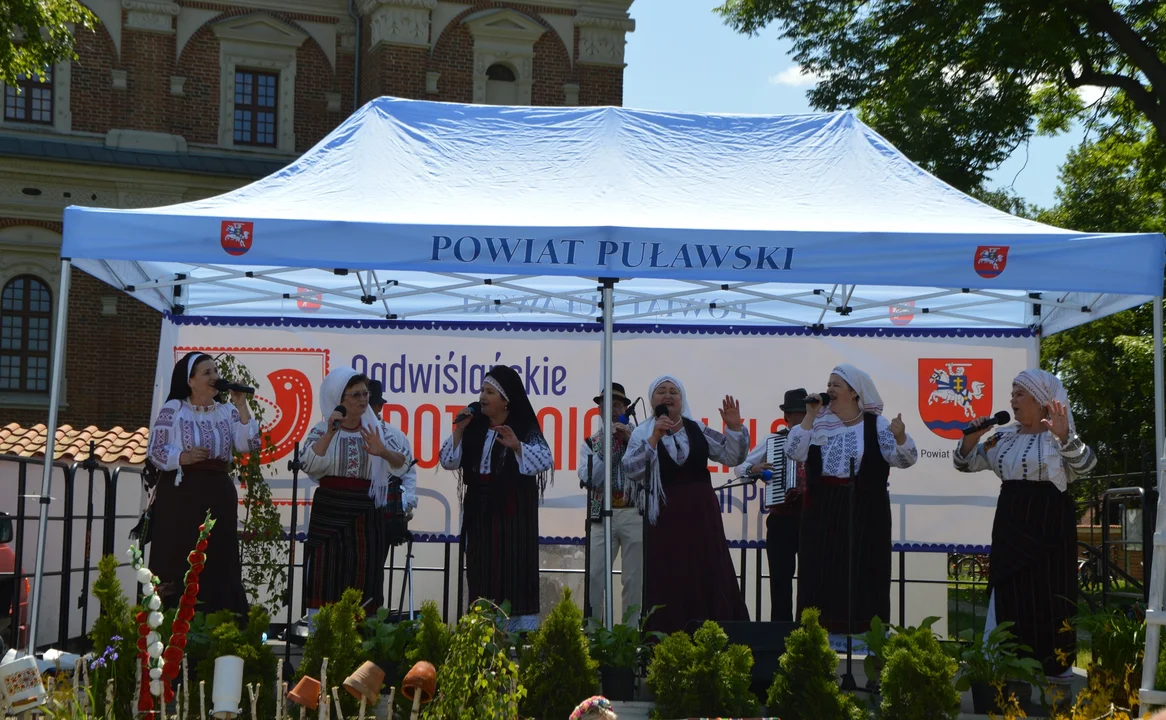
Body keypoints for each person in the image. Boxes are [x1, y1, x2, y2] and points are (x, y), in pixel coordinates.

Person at [954, 369, 1095, 682]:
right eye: (1012, 393)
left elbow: (1086, 466)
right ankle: (1004, 665)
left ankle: (1053, 670)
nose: (1012, 400)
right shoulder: (1003, 438)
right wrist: (970, 440)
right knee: (1008, 593)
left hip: (1050, 532)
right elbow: (964, 463)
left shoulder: (1058, 439)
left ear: (1041, 402)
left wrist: (1064, 436)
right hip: (1010, 528)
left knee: (1048, 597)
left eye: (1020, 394)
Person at [787, 364, 917, 638]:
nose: (829, 389)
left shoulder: (877, 425)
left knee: (863, 573)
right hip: (823, 512)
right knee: (820, 573)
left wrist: (901, 436)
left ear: (855, 392)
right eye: (829, 384)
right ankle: (817, 640)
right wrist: (809, 417)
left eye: (836, 385)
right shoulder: (819, 422)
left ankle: (863, 640)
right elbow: (793, 452)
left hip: (866, 512)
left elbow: (905, 460)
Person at [621, 375, 750, 635]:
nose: (668, 396)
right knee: (670, 573)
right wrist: (655, 437)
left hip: (702, 515)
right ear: (652, 399)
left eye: (673, 392)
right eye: (661, 392)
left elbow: (732, 456)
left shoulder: (696, 428)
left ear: (682, 399)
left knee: (707, 571)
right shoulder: (642, 432)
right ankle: (668, 639)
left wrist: (734, 428)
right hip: (666, 517)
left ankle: (715, 637)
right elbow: (631, 469)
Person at [439, 365, 554, 630]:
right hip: (479, 509)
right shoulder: (474, 426)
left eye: (490, 392)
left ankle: (516, 630)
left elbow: (545, 460)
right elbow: (446, 460)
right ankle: (482, 626)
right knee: (481, 567)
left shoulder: (523, 427)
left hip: (513, 512)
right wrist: (459, 429)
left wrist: (516, 446)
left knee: (513, 568)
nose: (482, 396)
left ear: (506, 400)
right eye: (482, 390)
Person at [147, 351, 256, 616]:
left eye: (215, 372)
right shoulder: (175, 409)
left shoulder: (228, 410)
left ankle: (219, 620)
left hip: (218, 495)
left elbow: (248, 443)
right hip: (182, 496)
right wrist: (183, 457)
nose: (214, 377)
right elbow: (156, 450)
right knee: (180, 557)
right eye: (207, 373)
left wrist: (241, 405)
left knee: (218, 559)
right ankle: (174, 621)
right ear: (191, 381)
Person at [300, 368, 416, 612]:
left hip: (366, 513)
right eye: (356, 395)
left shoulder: (378, 431)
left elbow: (403, 463)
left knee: (364, 575)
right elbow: (309, 465)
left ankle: (361, 639)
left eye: (365, 394)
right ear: (338, 399)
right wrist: (331, 432)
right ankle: (324, 638)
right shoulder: (322, 430)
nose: (364, 400)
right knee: (326, 573)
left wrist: (382, 451)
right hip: (329, 511)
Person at [733, 388, 807, 622]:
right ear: (786, 417)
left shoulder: (820, 441)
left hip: (812, 520)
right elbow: (739, 467)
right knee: (780, 580)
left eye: (804, 413)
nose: (799, 418)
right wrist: (753, 469)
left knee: (812, 581)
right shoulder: (773, 441)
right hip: (782, 520)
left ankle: (809, 634)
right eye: (795, 414)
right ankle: (781, 636)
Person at [579, 382, 642, 627]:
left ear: (626, 408)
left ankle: (631, 634)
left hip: (633, 512)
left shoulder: (640, 437)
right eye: (607, 405)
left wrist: (628, 441)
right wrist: (608, 447)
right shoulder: (591, 443)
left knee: (634, 578)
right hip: (601, 515)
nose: (612, 410)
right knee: (595, 575)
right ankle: (593, 635)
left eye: (617, 405)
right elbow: (590, 478)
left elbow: (646, 469)